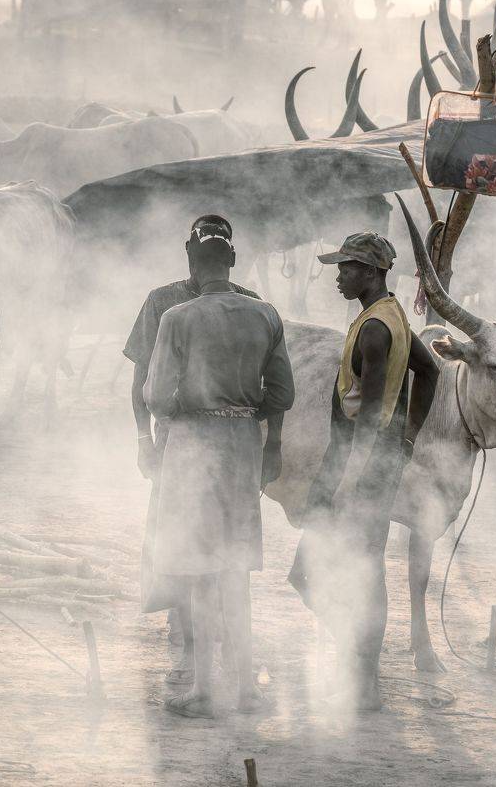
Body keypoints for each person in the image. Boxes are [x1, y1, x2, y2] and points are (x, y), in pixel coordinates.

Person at [142, 222, 294, 718]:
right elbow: (283, 393)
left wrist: (191, 408)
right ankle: (246, 689)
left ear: (192, 262)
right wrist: (245, 412)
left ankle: (204, 689)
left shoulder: (177, 317)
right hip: (243, 444)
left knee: (201, 570)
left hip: (193, 447)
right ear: (233, 262)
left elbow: (157, 397)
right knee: (235, 569)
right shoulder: (265, 313)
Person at [290, 231, 440, 711]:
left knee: (326, 572)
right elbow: (429, 372)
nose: (339, 276)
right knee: (356, 569)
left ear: (373, 272)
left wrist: (345, 481)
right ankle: (360, 677)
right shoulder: (391, 315)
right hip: (376, 459)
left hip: (359, 462)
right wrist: (408, 438)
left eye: (348, 268)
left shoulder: (375, 329)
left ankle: (362, 677)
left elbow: (371, 416)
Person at [124, 215, 262, 693]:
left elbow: (262, 381)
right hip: (181, 444)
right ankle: (188, 643)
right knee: (181, 544)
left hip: (217, 442)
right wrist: (144, 439)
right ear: (189, 253)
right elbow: (141, 381)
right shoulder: (162, 302)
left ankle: (220, 654)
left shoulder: (250, 304)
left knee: (221, 545)